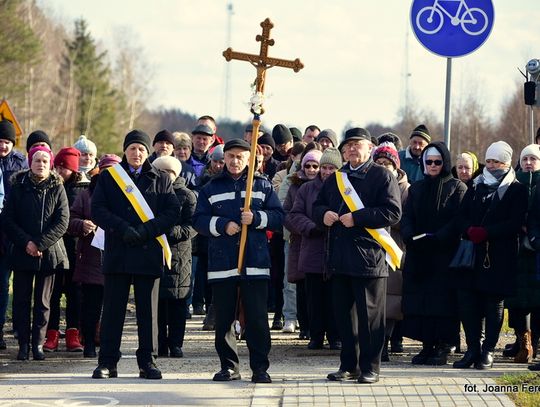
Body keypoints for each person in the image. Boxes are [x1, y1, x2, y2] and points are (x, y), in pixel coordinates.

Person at [313, 127, 401, 384]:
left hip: (368, 258)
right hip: (339, 258)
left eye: (357, 144)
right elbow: (318, 205)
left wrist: (358, 218)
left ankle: (370, 367)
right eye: (348, 145)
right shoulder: (335, 179)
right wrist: (323, 215)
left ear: (369, 148)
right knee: (344, 318)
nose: (352, 149)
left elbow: (392, 212)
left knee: (370, 318)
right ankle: (348, 365)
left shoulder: (382, 176)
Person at [193, 138, 284, 384]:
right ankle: (229, 366)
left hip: (254, 262)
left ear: (249, 159)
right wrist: (223, 225)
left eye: (240, 157)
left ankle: (260, 368)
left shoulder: (262, 186)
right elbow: (199, 220)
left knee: (256, 318)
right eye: (231, 156)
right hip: (223, 264)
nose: (235, 161)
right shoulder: (210, 188)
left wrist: (255, 218)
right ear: (224, 159)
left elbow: (278, 218)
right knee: (224, 319)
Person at [90, 129, 180, 380]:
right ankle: (107, 362)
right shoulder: (110, 177)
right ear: (125, 151)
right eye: (132, 148)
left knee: (148, 313)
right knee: (112, 311)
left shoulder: (161, 178)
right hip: (118, 250)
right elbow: (97, 209)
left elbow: (172, 212)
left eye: (141, 149)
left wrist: (145, 231)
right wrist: (122, 228)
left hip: (147, 251)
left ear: (147, 151)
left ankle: (147, 362)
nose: (137, 153)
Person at [453, 141, 527, 370]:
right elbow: (461, 216)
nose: (492, 166)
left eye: (497, 162)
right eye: (490, 161)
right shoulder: (476, 186)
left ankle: (488, 350)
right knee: (468, 303)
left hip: (499, 255)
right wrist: (469, 230)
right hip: (471, 254)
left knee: (493, 304)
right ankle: (472, 348)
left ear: (506, 163)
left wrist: (487, 232)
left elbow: (515, 222)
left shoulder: (516, 189)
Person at [400, 141, 466, 366]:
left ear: (445, 162)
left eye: (437, 162)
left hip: (445, 254)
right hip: (420, 254)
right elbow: (407, 216)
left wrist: (440, 236)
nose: (433, 165)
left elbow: (459, 218)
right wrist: (409, 235)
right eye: (428, 162)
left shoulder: (457, 187)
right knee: (421, 302)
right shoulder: (416, 188)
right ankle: (427, 344)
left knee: (444, 303)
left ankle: (444, 346)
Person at [2, 146, 69, 360]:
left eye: (45, 161)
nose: (41, 164)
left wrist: (40, 244)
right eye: (37, 160)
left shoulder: (58, 187)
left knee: (43, 302)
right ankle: (23, 344)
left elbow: (62, 221)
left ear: (50, 165)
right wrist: (27, 243)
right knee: (21, 300)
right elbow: (8, 219)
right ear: (30, 162)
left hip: (48, 254)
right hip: (22, 253)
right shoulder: (18, 186)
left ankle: (38, 344)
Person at [287, 147, 342, 350]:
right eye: (324, 168)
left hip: (337, 252)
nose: (327, 172)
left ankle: (336, 336)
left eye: (331, 168)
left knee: (335, 298)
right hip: (312, 249)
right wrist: (313, 227)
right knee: (314, 298)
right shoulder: (306, 189)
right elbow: (294, 214)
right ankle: (316, 335)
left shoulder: (346, 189)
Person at [68, 154, 122, 358]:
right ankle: (89, 342)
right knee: (91, 305)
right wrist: (82, 225)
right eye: (106, 170)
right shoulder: (86, 194)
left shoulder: (128, 194)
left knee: (113, 307)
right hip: (91, 258)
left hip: (117, 257)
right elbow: (71, 220)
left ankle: (109, 345)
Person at [45, 147, 89, 353]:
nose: (60, 171)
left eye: (64, 168)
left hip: (75, 249)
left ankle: (73, 333)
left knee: (75, 293)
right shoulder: (50, 186)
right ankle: (51, 332)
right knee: (52, 293)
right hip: (52, 247)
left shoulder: (82, 189)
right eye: (58, 166)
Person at [152, 156, 197, 358]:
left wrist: (170, 232)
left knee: (178, 303)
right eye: (161, 172)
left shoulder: (187, 196)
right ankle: (160, 343)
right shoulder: (150, 194)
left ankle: (176, 343)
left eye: (169, 172)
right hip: (155, 254)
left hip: (179, 256)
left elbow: (193, 226)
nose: (165, 176)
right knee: (158, 304)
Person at [372, 143, 409, 362]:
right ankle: (375, 342)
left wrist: (383, 217)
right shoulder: (370, 184)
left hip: (395, 247)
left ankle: (387, 341)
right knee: (375, 298)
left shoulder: (406, 188)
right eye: (380, 163)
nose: (384, 167)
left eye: (388, 163)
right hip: (372, 248)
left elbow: (403, 217)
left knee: (392, 299)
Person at [504, 144, 540, 365]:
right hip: (515, 249)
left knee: (537, 302)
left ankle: (534, 343)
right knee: (517, 301)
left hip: (536, 251)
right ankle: (522, 342)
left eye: (533, 159)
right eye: (525, 158)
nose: (528, 162)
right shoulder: (513, 182)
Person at [283, 147, 323, 341]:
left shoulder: (327, 186)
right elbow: (288, 214)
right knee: (301, 287)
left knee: (318, 290)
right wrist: (306, 227)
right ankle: (304, 326)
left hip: (321, 242)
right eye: (308, 165)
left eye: (316, 165)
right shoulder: (294, 186)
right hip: (300, 241)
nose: (312, 169)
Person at [0, 120, 27, 349]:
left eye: (7, 142)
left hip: (9, 231)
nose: (3, 146)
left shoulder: (20, 164)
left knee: (3, 285)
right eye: (0, 142)